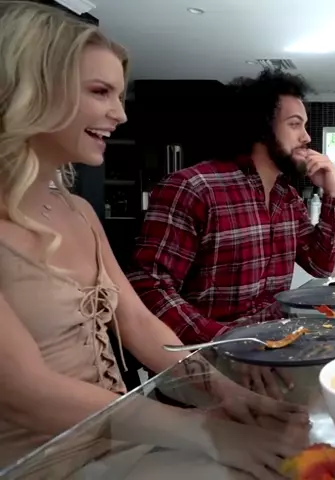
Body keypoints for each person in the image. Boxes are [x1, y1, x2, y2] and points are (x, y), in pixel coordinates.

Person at [0, 3, 308, 476]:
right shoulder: (196, 187)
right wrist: (207, 430)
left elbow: (140, 325)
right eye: (100, 91)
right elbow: (26, 393)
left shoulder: (78, 212)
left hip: (118, 444)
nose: (120, 114)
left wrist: (226, 393)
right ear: (31, 90)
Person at [129, 70, 335, 344]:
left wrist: (332, 193)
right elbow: (149, 287)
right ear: (262, 129)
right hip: (208, 355)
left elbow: (321, 265)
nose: (306, 137)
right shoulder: (194, 188)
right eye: (294, 124)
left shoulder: (287, 197)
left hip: (274, 345)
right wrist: (222, 342)